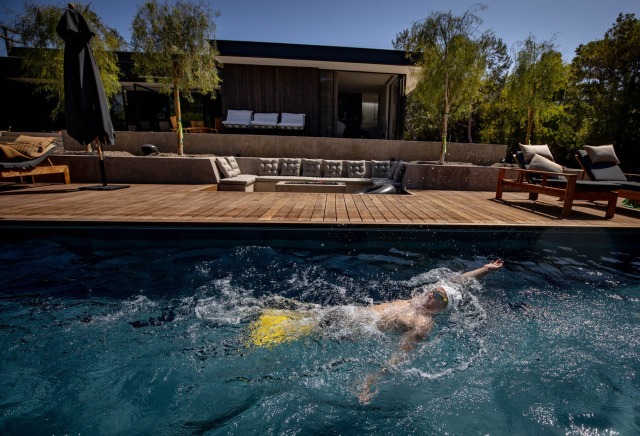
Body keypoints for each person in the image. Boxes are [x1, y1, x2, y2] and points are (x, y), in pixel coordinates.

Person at [247, 259, 505, 402]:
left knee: (307, 329)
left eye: (437, 296)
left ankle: (267, 344)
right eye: (433, 291)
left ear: (442, 307)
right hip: (351, 314)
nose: (430, 294)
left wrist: (372, 380)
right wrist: (486, 269)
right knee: (308, 317)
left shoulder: (423, 324)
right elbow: (458, 281)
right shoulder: (418, 300)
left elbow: (401, 356)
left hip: (353, 330)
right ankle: (272, 321)